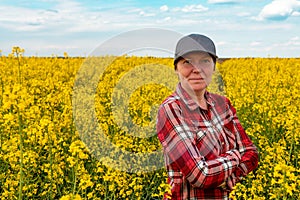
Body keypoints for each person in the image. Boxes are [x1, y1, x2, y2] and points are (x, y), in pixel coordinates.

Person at [156, 33, 259, 200]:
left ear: (214, 67)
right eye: (187, 62)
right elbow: (199, 175)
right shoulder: (171, 108)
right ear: (176, 69)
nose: (197, 69)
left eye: (205, 61)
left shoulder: (223, 104)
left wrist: (234, 175)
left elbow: (251, 152)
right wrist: (235, 156)